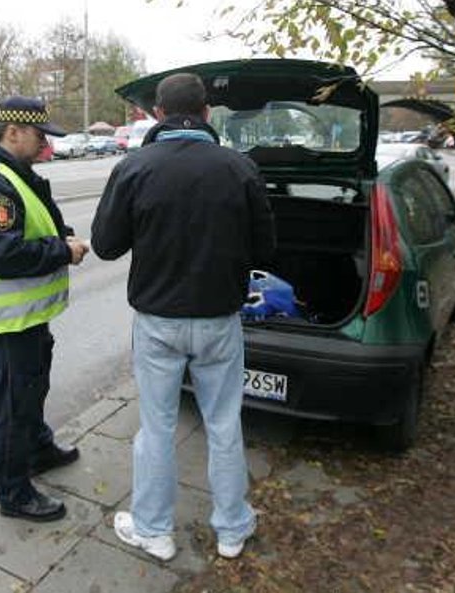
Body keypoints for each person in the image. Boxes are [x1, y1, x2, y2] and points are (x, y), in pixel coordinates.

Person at [91, 73, 276, 560]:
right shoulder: (239, 168)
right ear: (207, 114)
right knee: (223, 424)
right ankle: (233, 529)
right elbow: (266, 247)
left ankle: (154, 530)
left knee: (157, 427)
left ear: (157, 114)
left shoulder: (134, 167)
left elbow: (106, 245)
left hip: (158, 322)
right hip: (219, 320)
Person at [0, 96, 90, 521]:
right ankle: (13, 492)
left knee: (31, 391)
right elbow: (3, 255)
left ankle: (38, 449)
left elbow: (31, 224)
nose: (46, 144)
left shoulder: (16, 176)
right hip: (5, 326)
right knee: (10, 406)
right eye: (40, 135)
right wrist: (62, 250)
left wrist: (60, 235)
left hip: (27, 319)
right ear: (14, 132)